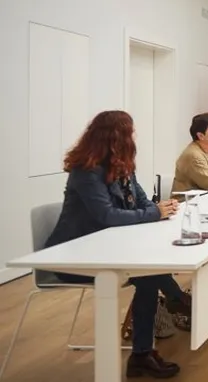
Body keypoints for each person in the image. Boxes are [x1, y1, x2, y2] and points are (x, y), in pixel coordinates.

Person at [45, 110, 190, 379]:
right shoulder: (86, 171)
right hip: (73, 258)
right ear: (116, 137)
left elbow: (143, 201)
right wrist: (154, 213)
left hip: (107, 249)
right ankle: (176, 305)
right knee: (148, 275)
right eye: (130, 133)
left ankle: (149, 344)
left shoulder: (123, 167)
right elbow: (108, 216)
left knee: (149, 273)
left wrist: (160, 208)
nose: (134, 138)